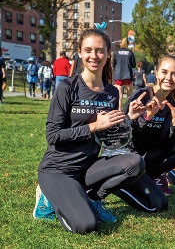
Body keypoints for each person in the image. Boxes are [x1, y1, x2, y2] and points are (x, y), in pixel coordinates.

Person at [33, 28, 145, 234]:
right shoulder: (67, 87)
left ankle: (92, 198)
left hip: (88, 169)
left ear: (108, 53)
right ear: (80, 52)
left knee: (135, 163)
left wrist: (129, 119)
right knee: (86, 225)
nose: (94, 56)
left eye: (100, 50)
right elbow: (53, 136)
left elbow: (111, 136)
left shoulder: (111, 92)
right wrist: (93, 126)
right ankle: (49, 198)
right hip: (57, 170)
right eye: (88, 50)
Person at [119, 55, 175, 199]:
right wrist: (147, 117)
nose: (169, 78)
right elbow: (123, 132)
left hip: (151, 155)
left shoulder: (172, 103)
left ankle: (152, 177)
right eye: (164, 72)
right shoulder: (141, 95)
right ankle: (135, 179)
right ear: (157, 73)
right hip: (131, 154)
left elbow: (166, 143)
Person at [113, 37, 136, 110]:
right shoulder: (130, 52)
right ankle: (128, 110)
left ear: (120, 44)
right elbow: (134, 65)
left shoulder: (116, 53)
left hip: (118, 75)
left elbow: (113, 64)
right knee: (129, 95)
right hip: (128, 76)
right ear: (128, 44)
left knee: (120, 96)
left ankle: (120, 110)